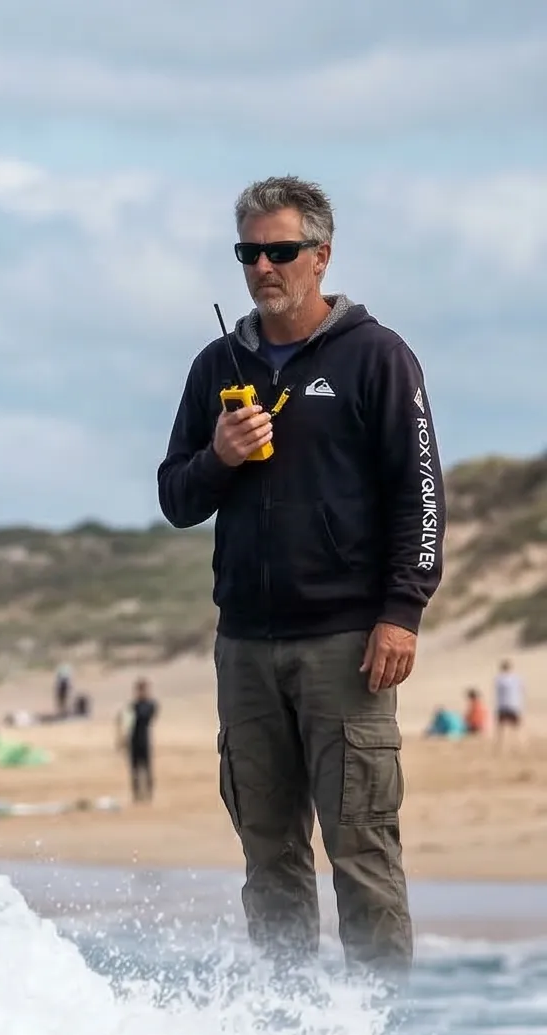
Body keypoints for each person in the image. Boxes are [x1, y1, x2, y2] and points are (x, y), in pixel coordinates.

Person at [156, 175, 441, 974]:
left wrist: (402, 611)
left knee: (362, 851)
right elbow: (175, 497)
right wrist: (220, 456)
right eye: (248, 253)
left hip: (346, 643)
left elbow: (420, 492)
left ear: (321, 256)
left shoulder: (376, 357)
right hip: (244, 646)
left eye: (280, 251)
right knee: (269, 857)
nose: (262, 268)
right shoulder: (217, 363)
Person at [126, 677, 159, 803]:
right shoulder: (133, 706)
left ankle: (149, 794)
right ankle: (137, 794)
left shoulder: (149, 705)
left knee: (146, 768)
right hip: (133, 740)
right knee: (135, 769)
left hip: (144, 739)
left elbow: (147, 716)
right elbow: (126, 722)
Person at [498, 660, 525, 747]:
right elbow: (522, 689)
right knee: (517, 727)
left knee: (502, 727)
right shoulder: (517, 678)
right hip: (514, 705)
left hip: (503, 705)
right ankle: (521, 744)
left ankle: (502, 745)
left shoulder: (499, 679)